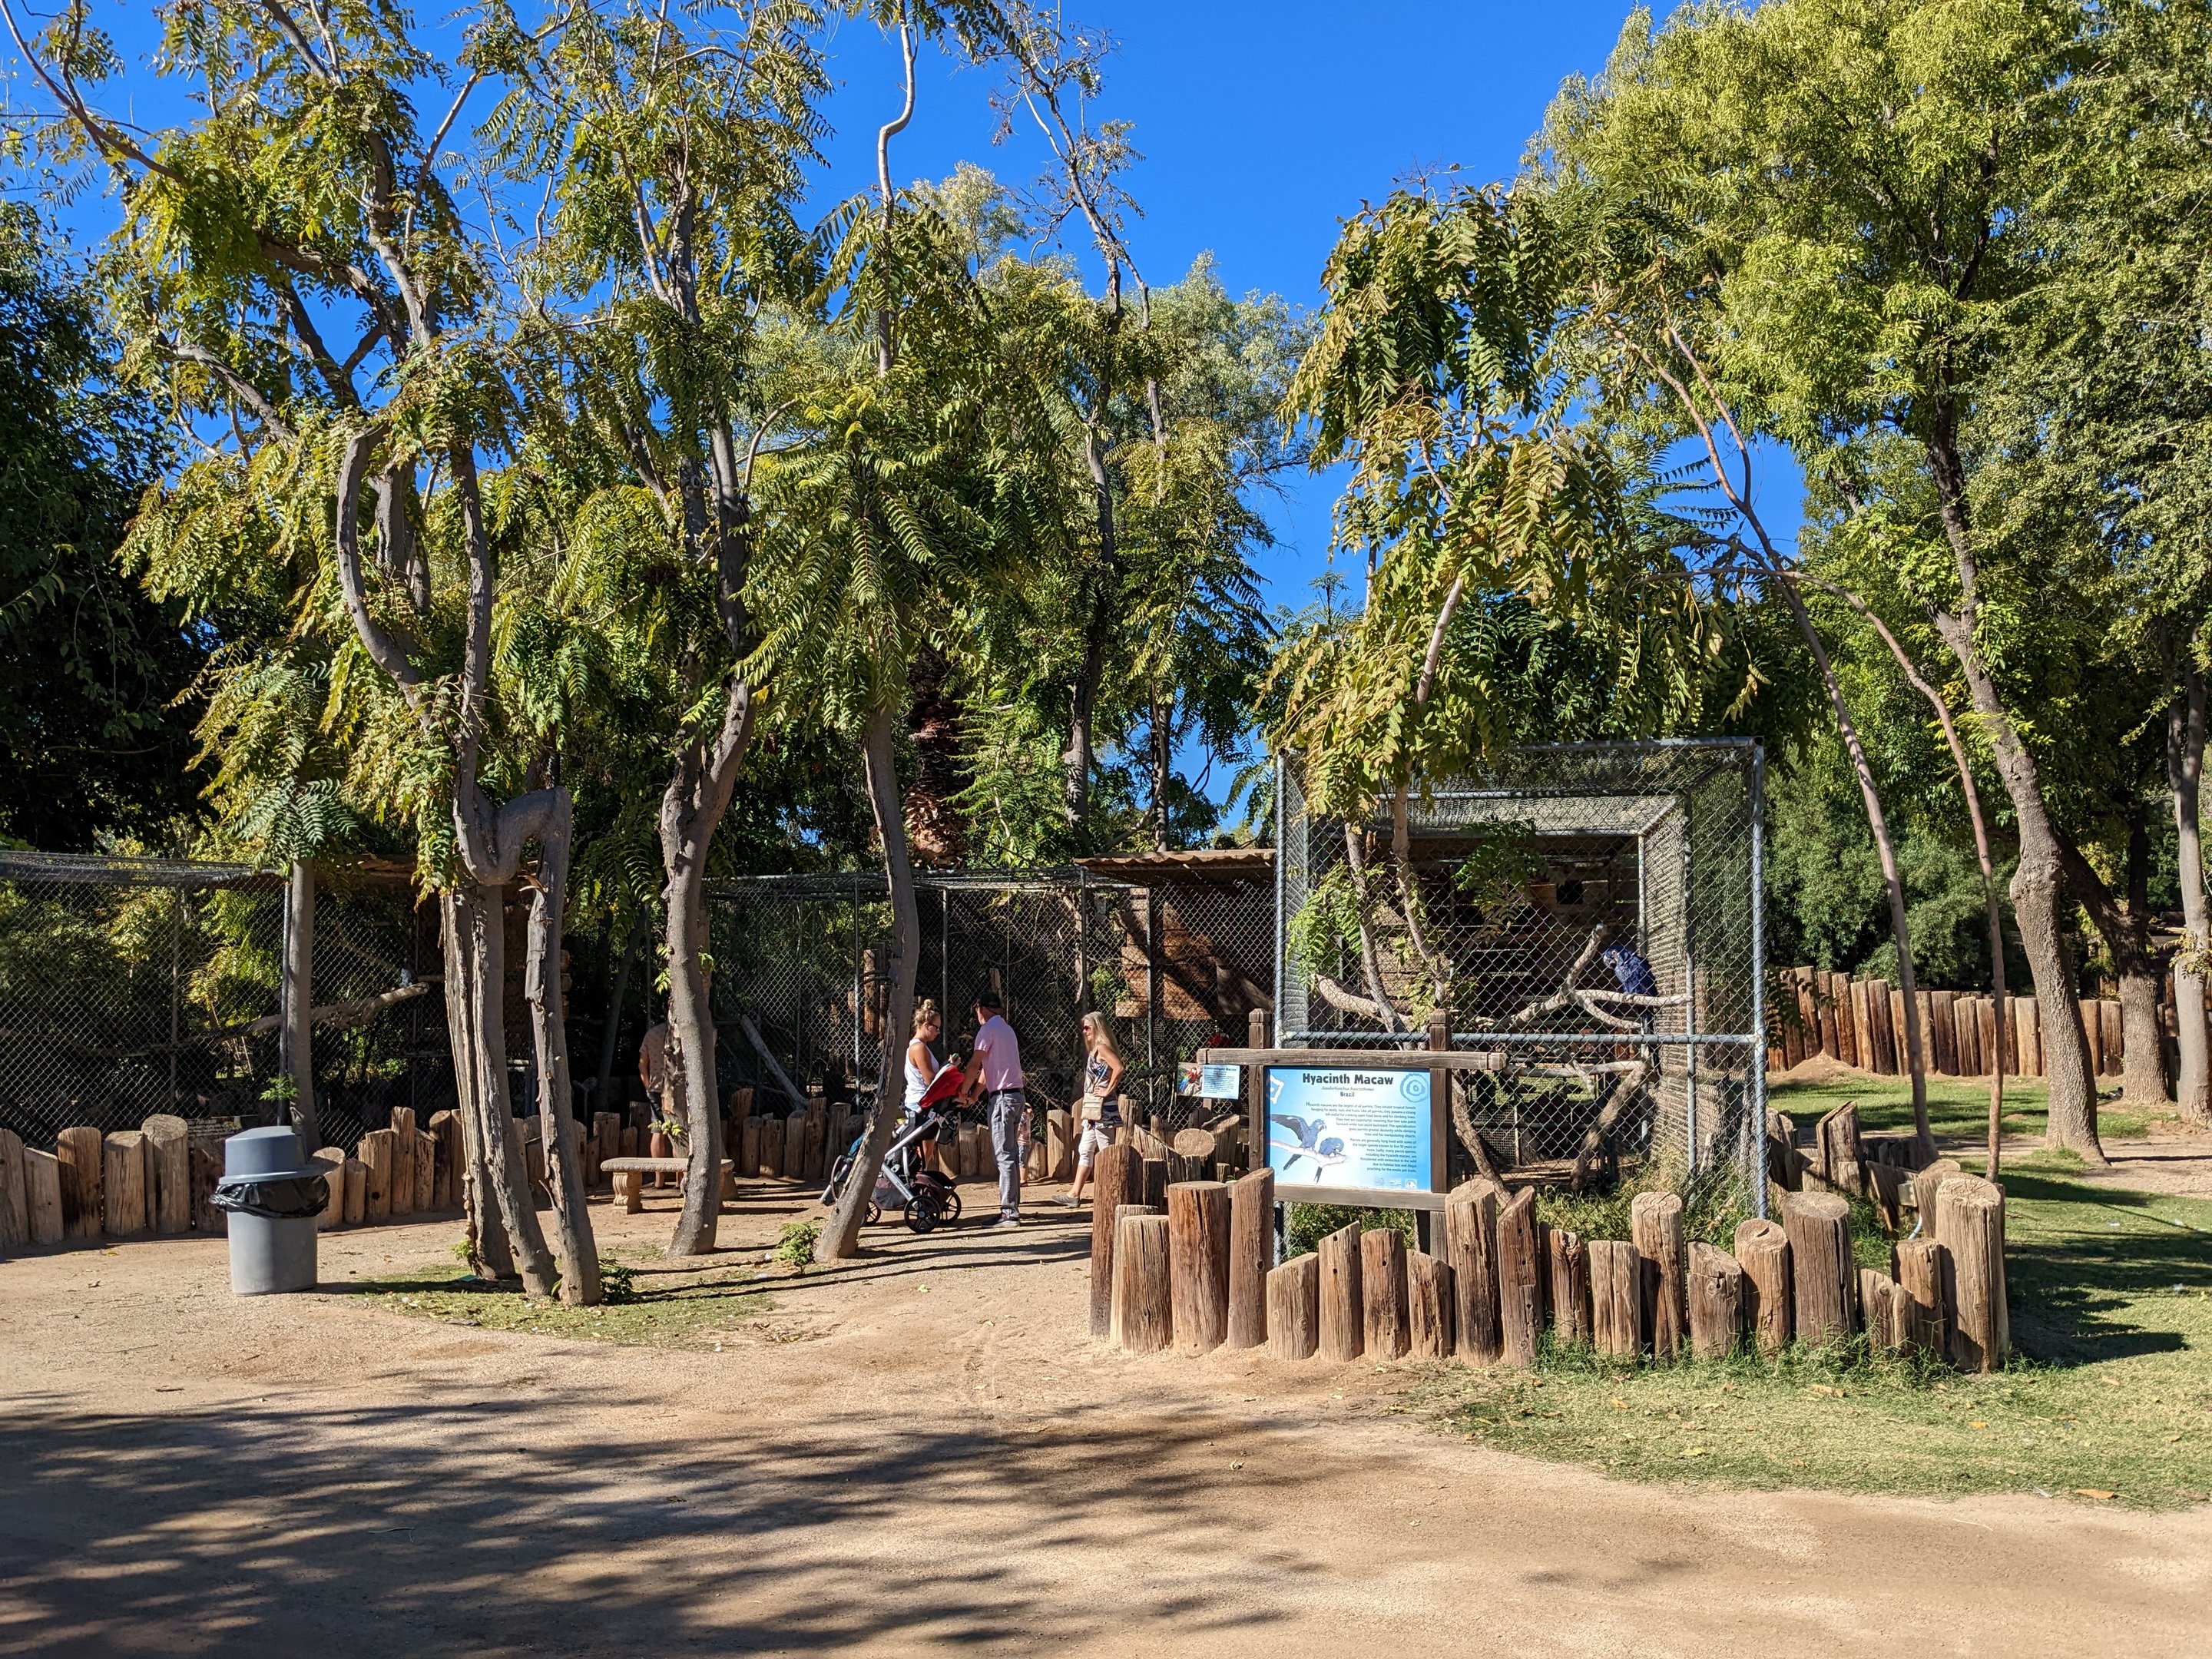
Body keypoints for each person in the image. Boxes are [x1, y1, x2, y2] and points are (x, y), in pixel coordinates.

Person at [957, 988, 1026, 1229]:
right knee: (1011, 1155)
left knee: (1004, 1156)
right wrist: (974, 1095)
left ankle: (1009, 1213)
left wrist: (963, 1091)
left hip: (1003, 1099)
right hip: (1016, 1096)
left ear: (982, 1009)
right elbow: (988, 1070)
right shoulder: (1007, 1030)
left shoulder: (987, 1030)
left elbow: (975, 1064)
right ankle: (1011, 1208)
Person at [1061, 1011, 1126, 1206]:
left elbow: (1119, 1067)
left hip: (1102, 1110)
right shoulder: (1095, 1050)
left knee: (1107, 1151)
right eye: (1084, 1028)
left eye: (1088, 1028)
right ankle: (1074, 1194)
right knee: (1085, 1149)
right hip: (1092, 1110)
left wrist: (1107, 1090)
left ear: (1098, 1028)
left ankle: (1114, 1192)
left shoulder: (1102, 1048)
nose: (1085, 1031)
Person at [904, 998, 946, 1167]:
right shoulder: (918, 1047)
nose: (938, 1032)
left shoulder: (923, 1046)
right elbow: (930, 1080)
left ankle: (922, 1173)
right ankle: (919, 1175)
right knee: (924, 1148)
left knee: (928, 1147)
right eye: (936, 1028)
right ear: (927, 1025)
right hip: (920, 1102)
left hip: (925, 1101)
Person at [638, 1017, 677, 1189]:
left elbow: (642, 1064)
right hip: (677, 1088)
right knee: (678, 1132)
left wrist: (648, 1086)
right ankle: (680, 1179)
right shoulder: (680, 1032)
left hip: (655, 1088)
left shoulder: (652, 1033)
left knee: (657, 1131)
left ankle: (659, 1179)